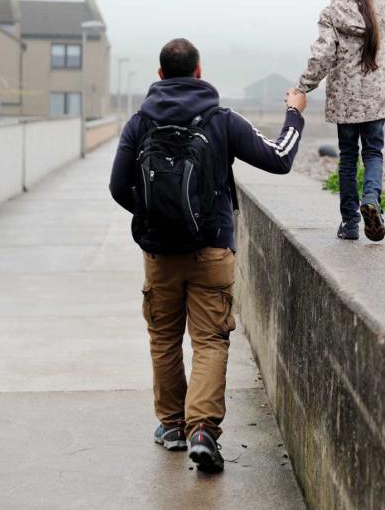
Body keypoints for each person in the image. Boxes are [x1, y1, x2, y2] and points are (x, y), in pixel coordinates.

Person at [108, 38, 306, 473]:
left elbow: (118, 187)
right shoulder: (221, 120)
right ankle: (202, 430)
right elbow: (279, 159)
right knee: (210, 340)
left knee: (163, 339)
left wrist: (153, 216)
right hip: (212, 249)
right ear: (199, 72)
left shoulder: (139, 122)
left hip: (159, 254)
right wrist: (294, 111)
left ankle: (173, 426)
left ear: (160, 75)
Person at [295, 0, 385, 241]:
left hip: (346, 99)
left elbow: (323, 55)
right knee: (373, 152)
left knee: (347, 158)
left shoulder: (332, 13)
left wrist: (302, 87)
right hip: (377, 94)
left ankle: (351, 223)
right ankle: (371, 198)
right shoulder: (382, 9)